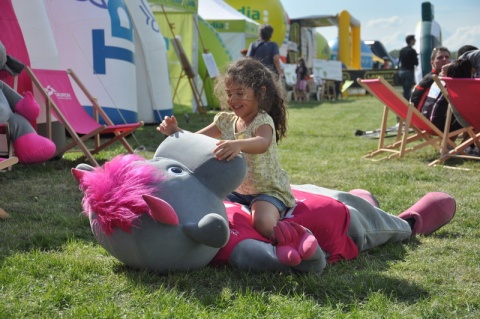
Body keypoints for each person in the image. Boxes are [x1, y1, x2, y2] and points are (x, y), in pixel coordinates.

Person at [157, 58, 295, 240]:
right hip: (235, 190)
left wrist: (239, 144)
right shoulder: (225, 120)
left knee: (262, 223)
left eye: (240, 93)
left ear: (260, 93)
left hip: (267, 191)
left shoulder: (262, 120)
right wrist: (175, 131)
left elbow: (263, 142)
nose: (233, 99)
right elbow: (196, 140)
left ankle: (292, 238)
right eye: (229, 93)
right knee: (200, 206)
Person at [420, 58, 472, 135]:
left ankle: (453, 145)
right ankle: (466, 146)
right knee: (472, 120)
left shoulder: (441, 81)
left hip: (425, 121)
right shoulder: (457, 89)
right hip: (439, 125)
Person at [398, 35, 419, 100]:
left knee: (405, 89)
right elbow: (416, 63)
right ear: (411, 41)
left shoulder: (402, 50)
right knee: (407, 90)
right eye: (414, 39)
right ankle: (405, 104)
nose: (415, 41)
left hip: (401, 71)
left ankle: (404, 101)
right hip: (409, 72)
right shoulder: (412, 51)